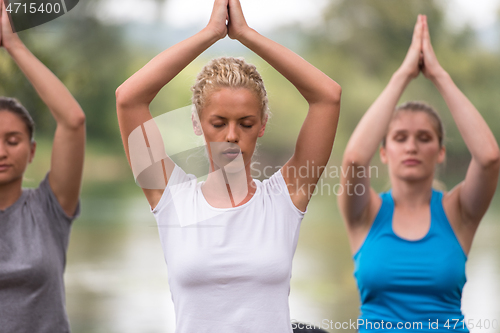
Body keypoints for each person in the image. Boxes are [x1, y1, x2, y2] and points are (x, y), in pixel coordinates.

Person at [115, 0, 341, 332]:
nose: (232, 136)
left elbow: (328, 96)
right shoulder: (172, 198)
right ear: (197, 123)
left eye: (246, 124)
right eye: (218, 123)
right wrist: (209, 34)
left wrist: (246, 35)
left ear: (262, 125)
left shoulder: (284, 199)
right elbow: (128, 98)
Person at [338, 15, 500, 332]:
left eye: (424, 138)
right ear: (383, 152)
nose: (411, 146)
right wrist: (403, 75)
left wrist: (438, 75)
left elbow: (489, 158)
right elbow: (355, 160)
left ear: (440, 152)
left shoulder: (458, 212)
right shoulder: (364, 213)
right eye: (400, 138)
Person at [0, 2, 86, 333]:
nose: (2, 151)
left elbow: (73, 121)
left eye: (13, 140)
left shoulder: (49, 208)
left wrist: (13, 44)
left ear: (32, 150)